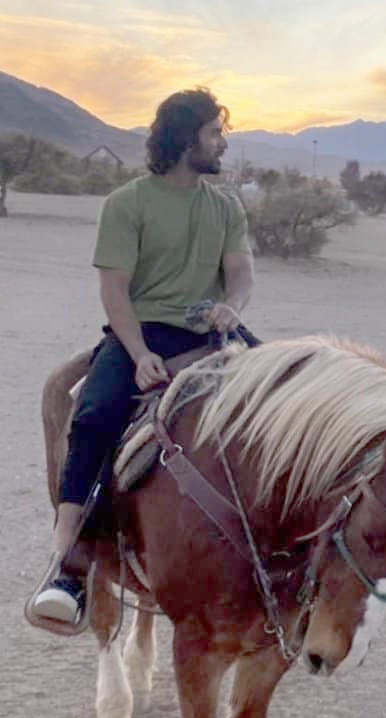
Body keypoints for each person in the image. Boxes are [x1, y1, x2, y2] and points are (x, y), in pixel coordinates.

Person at [31, 87, 255, 627]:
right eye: (212, 133)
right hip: (142, 332)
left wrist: (230, 307)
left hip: (211, 333)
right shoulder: (127, 203)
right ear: (183, 139)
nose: (221, 144)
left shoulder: (224, 207)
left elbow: (242, 274)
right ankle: (69, 567)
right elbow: (115, 291)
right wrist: (138, 355)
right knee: (94, 418)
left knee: (285, 410)